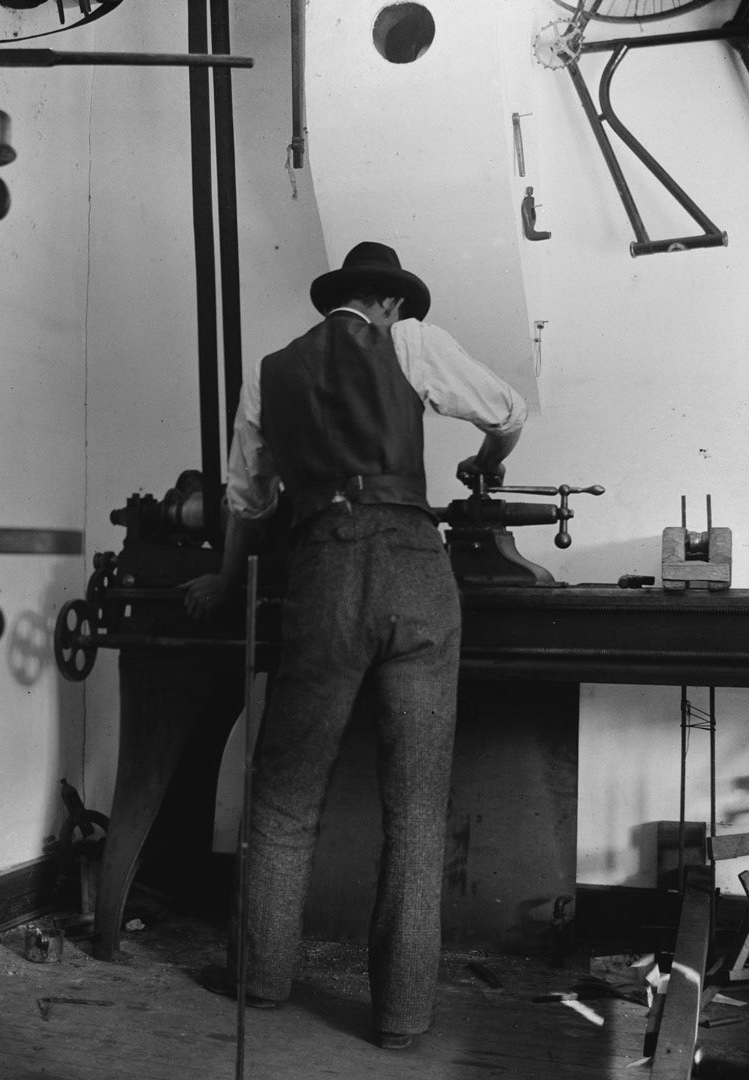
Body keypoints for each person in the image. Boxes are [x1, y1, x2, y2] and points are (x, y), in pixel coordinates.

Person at [182, 241, 527, 1050]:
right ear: (391, 303)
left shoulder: (271, 369)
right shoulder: (409, 343)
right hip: (415, 569)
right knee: (414, 813)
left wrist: (226, 586)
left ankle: (258, 983)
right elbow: (505, 410)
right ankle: (402, 1021)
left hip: (326, 572)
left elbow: (245, 499)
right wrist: (486, 457)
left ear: (343, 300)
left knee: (282, 796)